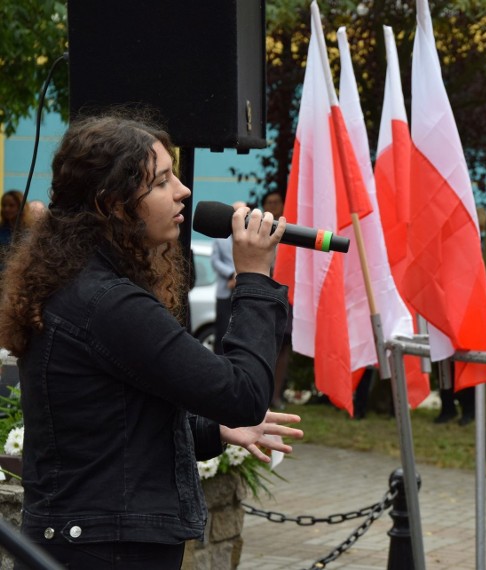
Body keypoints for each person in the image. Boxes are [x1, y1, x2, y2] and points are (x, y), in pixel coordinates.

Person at [0, 113, 303, 569]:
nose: (182, 190)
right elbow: (242, 394)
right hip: (106, 549)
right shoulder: (107, 302)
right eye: (162, 181)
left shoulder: (81, 284)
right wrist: (255, 276)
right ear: (114, 204)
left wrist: (211, 428)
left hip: (92, 538)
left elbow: (109, 423)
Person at [261, 190, 292, 410]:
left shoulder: (290, 232)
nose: (273, 205)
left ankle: (276, 394)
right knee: (265, 344)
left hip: (286, 294)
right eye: (268, 202)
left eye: (276, 202)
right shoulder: (257, 229)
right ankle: (261, 392)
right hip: (265, 292)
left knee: (283, 346)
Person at [210, 201, 246, 355]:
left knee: (242, 331)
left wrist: (238, 277)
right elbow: (215, 261)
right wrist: (231, 274)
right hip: (225, 290)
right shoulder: (220, 237)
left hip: (242, 289)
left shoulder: (249, 237)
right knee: (222, 329)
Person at [0, 190, 30, 272]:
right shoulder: (1, 229)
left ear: (21, 207)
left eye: (11, 205)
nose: (6, 209)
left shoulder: (29, 231)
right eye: (4, 205)